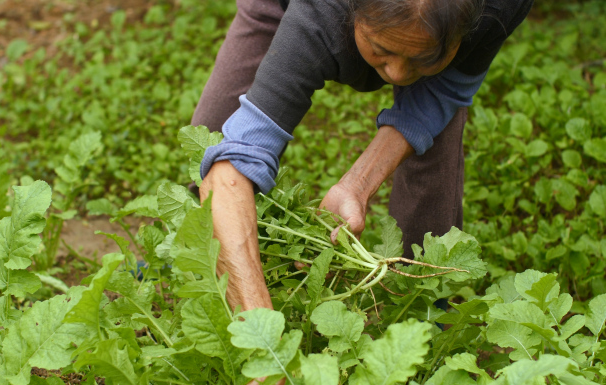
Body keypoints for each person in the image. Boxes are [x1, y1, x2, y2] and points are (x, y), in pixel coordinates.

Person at [192, 0, 533, 312]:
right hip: (301, 9)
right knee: (213, 138)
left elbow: (444, 90)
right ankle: (194, 266)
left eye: (422, 57)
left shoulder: (498, 7)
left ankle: (422, 308)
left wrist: (358, 183)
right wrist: (262, 336)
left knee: (434, 153)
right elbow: (230, 170)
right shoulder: (319, 14)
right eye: (383, 48)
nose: (398, 75)